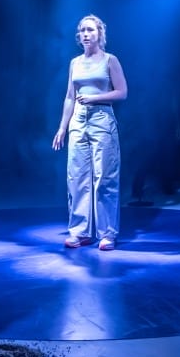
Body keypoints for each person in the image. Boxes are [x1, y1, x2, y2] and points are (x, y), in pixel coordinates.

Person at [52, 14, 128, 251]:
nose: (86, 34)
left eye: (91, 30)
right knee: (77, 178)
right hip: (78, 121)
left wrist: (95, 97)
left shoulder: (109, 60)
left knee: (104, 178)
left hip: (102, 119)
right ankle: (80, 232)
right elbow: (69, 97)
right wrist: (62, 127)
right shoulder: (75, 63)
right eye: (83, 30)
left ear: (100, 35)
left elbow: (122, 92)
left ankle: (107, 233)